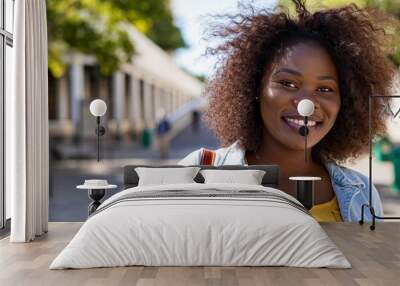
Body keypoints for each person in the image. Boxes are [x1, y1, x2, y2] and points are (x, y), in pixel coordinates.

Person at [178, 0, 398, 222]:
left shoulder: (363, 193)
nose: (307, 104)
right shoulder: (198, 173)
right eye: (287, 83)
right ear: (255, 88)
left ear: (346, 101)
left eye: (325, 89)